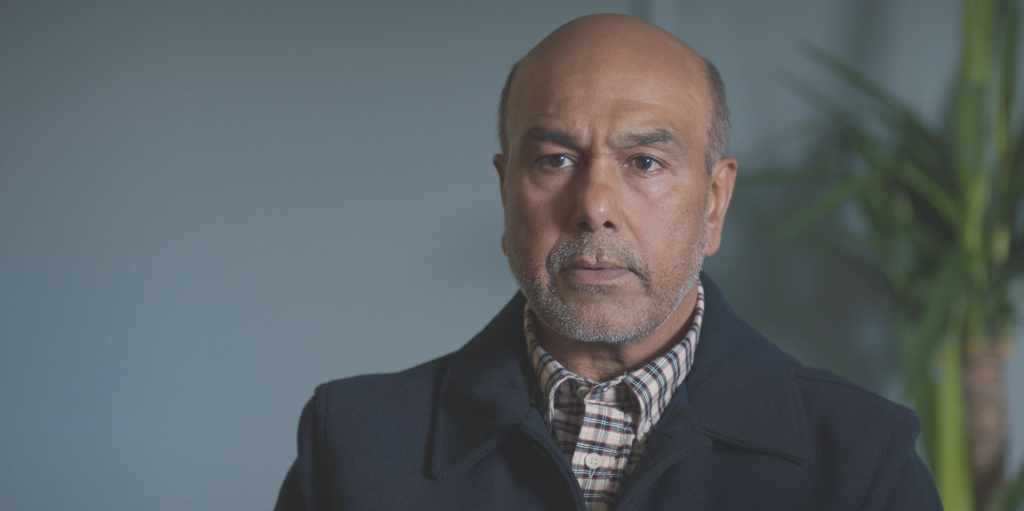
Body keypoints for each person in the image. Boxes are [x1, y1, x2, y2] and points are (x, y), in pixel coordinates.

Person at [274, 14, 943, 510]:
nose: (594, 206)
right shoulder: (353, 447)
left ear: (714, 203)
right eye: (554, 160)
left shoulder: (862, 462)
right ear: (506, 195)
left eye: (645, 162)